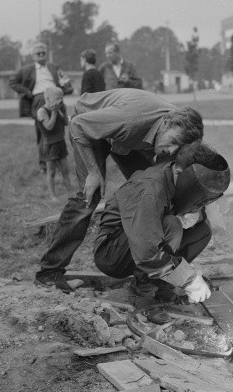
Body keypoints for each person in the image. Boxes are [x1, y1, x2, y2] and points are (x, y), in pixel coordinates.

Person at [34, 88, 204, 292]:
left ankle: (150, 265)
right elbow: (78, 126)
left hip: (124, 139)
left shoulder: (175, 127)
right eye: (174, 143)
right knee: (87, 198)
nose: (173, 152)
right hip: (90, 129)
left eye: (180, 148)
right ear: (166, 124)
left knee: (153, 187)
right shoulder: (130, 121)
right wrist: (93, 172)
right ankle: (50, 271)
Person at [94, 141, 230, 304]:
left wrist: (196, 214)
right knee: (173, 225)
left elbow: (194, 208)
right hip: (112, 253)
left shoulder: (176, 177)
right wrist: (189, 280)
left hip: (142, 240)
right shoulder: (150, 190)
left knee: (201, 231)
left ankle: (162, 285)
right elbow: (147, 250)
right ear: (180, 173)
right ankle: (143, 293)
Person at [10, 42, 71, 171]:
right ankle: (44, 163)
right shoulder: (26, 69)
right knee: (43, 132)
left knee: (59, 129)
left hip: (55, 97)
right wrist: (27, 92)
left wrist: (66, 87)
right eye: (38, 53)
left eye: (44, 53)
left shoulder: (54, 67)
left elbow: (65, 79)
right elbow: (13, 82)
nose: (42, 55)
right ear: (33, 56)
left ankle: (60, 160)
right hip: (39, 99)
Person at [36, 87, 73, 201]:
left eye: (61, 97)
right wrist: (55, 112)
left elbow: (66, 123)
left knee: (65, 170)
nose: (60, 100)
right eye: (57, 98)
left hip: (60, 143)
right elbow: (49, 126)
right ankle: (53, 195)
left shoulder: (59, 108)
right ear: (47, 99)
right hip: (49, 145)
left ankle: (70, 192)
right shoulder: (42, 111)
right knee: (51, 172)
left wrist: (64, 110)